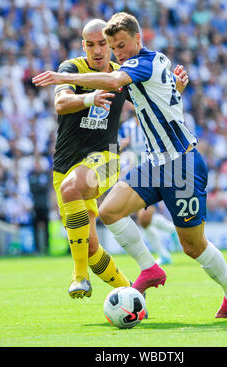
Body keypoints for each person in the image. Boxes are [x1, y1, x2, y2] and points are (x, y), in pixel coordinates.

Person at [32, 12, 227, 318]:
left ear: (138, 39)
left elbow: (114, 79)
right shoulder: (139, 66)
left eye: (120, 46)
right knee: (109, 211)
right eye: (114, 48)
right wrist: (175, 87)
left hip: (182, 165)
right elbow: (158, 94)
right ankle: (150, 269)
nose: (118, 54)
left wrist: (64, 78)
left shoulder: (141, 62)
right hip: (155, 163)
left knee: (192, 245)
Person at [35, 18, 188, 300]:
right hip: (65, 165)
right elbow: (60, 103)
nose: (97, 50)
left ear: (110, 44)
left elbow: (156, 100)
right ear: (83, 46)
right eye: (90, 44)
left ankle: (79, 277)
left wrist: (176, 88)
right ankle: (130, 295)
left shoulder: (121, 74)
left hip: (107, 160)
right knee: (91, 249)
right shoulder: (72, 69)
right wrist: (89, 99)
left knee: (72, 187)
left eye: (102, 44)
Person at [119, 113, 179, 265]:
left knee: (144, 219)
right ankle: (171, 231)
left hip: (153, 175)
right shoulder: (126, 128)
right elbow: (115, 149)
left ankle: (164, 254)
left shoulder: (154, 125)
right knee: (144, 220)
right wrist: (122, 146)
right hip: (134, 177)